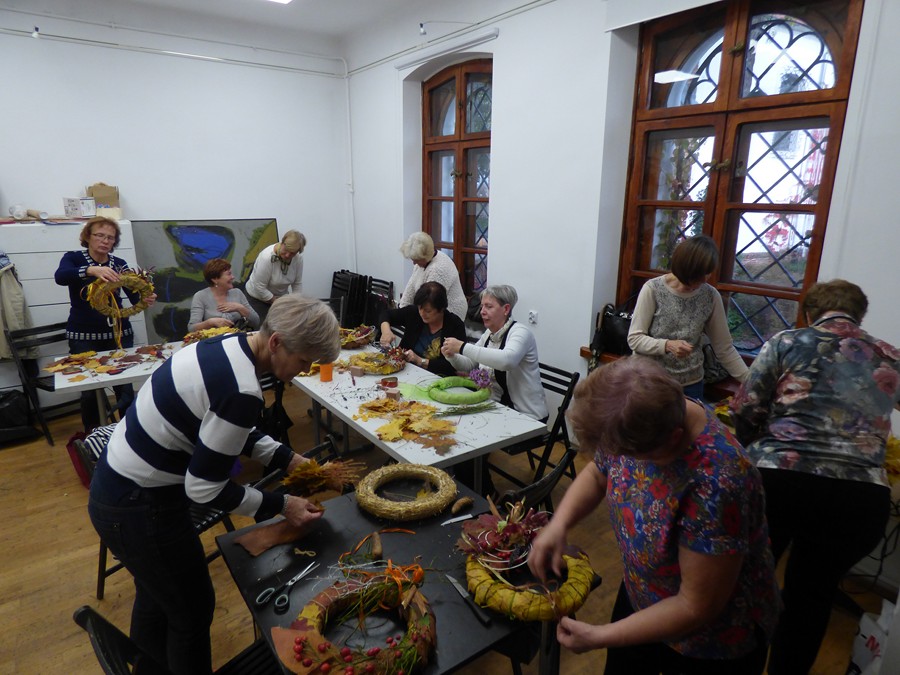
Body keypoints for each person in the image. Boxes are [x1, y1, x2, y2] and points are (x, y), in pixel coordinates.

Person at [87, 294, 340, 675]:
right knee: (192, 611)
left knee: (158, 597)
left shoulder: (228, 345)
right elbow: (205, 490)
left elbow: (227, 426)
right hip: (139, 506)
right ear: (276, 342)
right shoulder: (242, 390)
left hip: (115, 490)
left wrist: (289, 459)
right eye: (304, 361)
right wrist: (283, 505)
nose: (304, 370)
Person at [529, 357, 780, 675]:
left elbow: (695, 606)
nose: (618, 458)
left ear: (673, 439)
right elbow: (598, 473)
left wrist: (599, 636)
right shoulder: (639, 416)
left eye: (628, 455)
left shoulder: (718, 483)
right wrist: (559, 524)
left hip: (710, 643)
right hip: (643, 594)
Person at [730, 279, 900, 675]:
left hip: (781, 483)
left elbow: (746, 408)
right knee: (813, 595)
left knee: (751, 585)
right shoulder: (890, 355)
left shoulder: (786, 342)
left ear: (809, 313)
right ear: (859, 316)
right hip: (860, 498)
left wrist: (758, 449)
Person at [54, 216, 157, 431]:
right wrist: (91, 270)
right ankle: (94, 434)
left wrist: (145, 298)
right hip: (83, 336)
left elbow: (134, 295)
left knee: (124, 385)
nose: (105, 241)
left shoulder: (119, 264)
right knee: (89, 389)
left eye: (110, 237)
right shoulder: (74, 258)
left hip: (119, 334)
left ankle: (129, 431)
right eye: (100, 235)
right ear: (88, 237)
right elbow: (61, 277)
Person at [627, 235, 748, 400]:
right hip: (649, 381)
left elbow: (724, 349)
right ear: (682, 269)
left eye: (705, 275)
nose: (701, 282)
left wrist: (750, 381)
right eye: (695, 278)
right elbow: (635, 339)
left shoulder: (710, 296)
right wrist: (667, 345)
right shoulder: (653, 289)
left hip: (691, 384)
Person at [441, 284, 547, 421]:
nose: (482, 312)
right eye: (482, 306)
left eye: (489, 307)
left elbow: (506, 361)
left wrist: (462, 347)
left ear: (506, 309)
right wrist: (451, 356)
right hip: (496, 408)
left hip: (526, 415)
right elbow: (469, 364)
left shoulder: (521, 333)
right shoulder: (489, 334)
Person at [378, 281, 466, 376]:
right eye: (420, 308)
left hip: (436, 377)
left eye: (428, 311)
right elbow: (386, 314)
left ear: (441, 309)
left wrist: (420, 361)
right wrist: (386, 331)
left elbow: (453, 366)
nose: (422, 313)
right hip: (406, 370)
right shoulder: (414, 313)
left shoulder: (455, 325)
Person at [398, 232, 467, 321]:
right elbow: (410, 289)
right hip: (429, 310)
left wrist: (406, 317)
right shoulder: (421, 262)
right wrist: (401, 310)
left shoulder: (438, 269)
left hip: (450, 314)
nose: (414, 263)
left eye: (416, 260)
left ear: (425, 256)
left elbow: (429, 301)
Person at [245, 229, 306, 323]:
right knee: (264, 327)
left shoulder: (298, 259)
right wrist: (276, 301)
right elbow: (259, 287)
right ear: (282, 243)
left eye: (292, 253)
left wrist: (296, 303)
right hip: (257, 298)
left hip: (280, 299)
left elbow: (297, 284)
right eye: (286, 250)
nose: (287, 255)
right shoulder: (266, 257)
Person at [187, 258, 259, 332]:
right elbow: (191, 328)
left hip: (239, 336)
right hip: (214, 338)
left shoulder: (237, 293)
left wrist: (240, 308)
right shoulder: (200, 296)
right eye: (229, 274)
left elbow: (256, 322)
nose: (233, 277)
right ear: (215, 279)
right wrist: (210, 322)